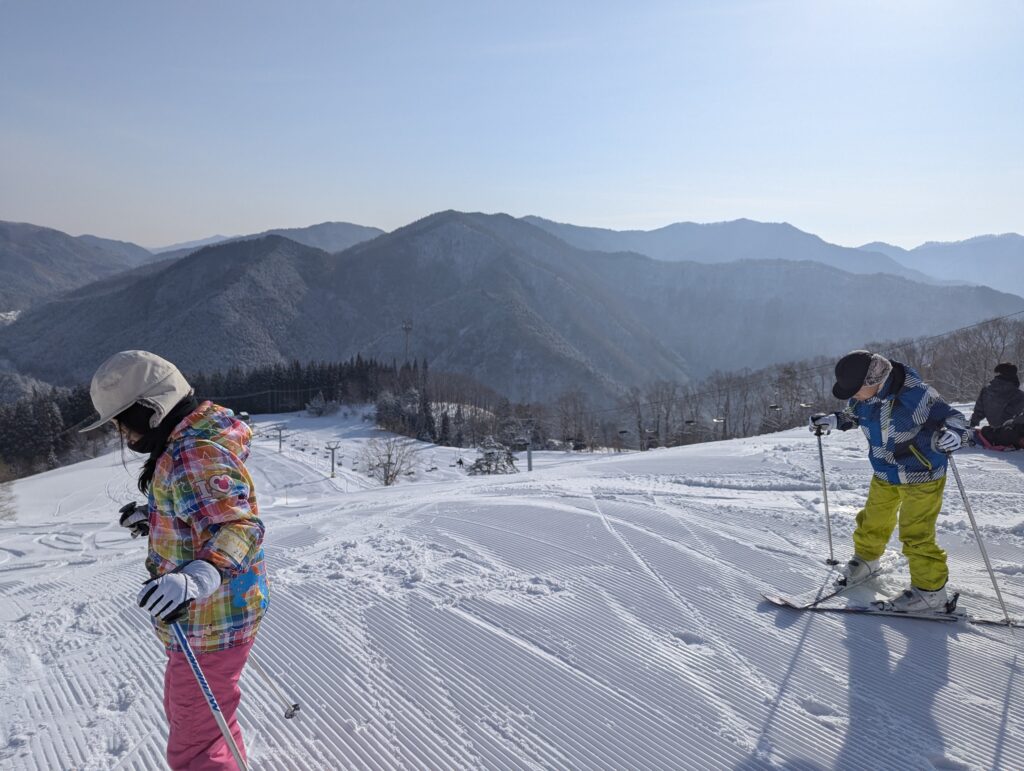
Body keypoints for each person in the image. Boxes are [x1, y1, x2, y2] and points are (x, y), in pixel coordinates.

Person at [82, 350, 269, 770]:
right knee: (198, 714)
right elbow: (200, 509)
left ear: (151, 410)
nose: (122, 435)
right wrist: (157, 515)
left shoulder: (193, 453)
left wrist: (198, 577)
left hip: (212, 620)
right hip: (207, 618)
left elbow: (241, 528)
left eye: (121, 422)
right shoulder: (186, 445)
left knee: (193, 745)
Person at [809, 350, 969, 613]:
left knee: (916, 533)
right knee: (873, 520)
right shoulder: (865, 397)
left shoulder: (917, 394)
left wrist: (955, 433)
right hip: (885, 470)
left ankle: (930, 592)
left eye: (856, 389)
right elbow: (853, 415)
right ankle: (867, 561)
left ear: (874, 381)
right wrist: (832, 420)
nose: (854, 395)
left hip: (922, 474)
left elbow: (954, 417)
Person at [970, 362, 1024, 429]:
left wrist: (970, 425)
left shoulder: (986, 391)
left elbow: (978, 413)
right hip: (1013, 433)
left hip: (992, 433)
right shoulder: (1018, 395)